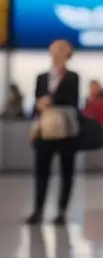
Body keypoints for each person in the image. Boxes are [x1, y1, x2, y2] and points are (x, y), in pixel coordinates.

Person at [26, 39, 81, 226]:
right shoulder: (41, 77)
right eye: (54, 47)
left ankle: (62, 211)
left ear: (68, 53)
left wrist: (51, 101)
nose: (56, 50)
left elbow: (73, 101)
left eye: (61, 47)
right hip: (45, 131)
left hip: (66, 131)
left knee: (67, 171)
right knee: (41, 171)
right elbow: (35, 102)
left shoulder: (73, 77)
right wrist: (37, 106)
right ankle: (38, 209)